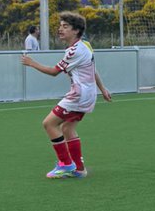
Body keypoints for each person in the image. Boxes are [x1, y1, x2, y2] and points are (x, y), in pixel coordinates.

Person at [21, 11, 112, 179]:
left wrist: (32, 63)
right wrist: (103, 89)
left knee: (49, 124)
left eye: (65, 27)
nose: (60, 29)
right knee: (67, 128)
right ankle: (79, 169)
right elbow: (93, 69)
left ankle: (65, 164)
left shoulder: (74, 51)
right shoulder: (86, 45)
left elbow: (54, 72)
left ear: (76, 31)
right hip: (87, 94)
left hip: (78, 95)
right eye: (60, 26)